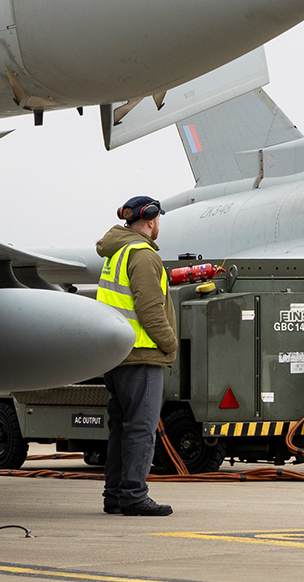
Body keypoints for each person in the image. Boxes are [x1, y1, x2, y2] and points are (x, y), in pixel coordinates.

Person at [95, 195, 179, 516]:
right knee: (141, 428)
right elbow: (148, 309)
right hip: (142, 354)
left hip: (115, 356)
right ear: (152, 219)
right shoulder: (142, 255)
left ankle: (115, 494)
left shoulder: (115, 253)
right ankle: (133, 494)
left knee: (122, 428)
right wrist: (169, 344)